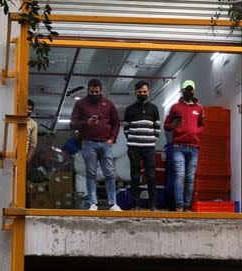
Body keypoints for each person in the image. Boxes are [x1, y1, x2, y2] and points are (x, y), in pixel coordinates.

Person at [70, 78, 121, 211]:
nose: (94, 94)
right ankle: (93, 203)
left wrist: (113, 139)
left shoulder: (108, 104)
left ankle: (113, 204)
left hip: (105, 143)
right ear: (88, 90)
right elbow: (72, 123)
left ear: (101, 90)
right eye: (91, 92)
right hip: (88, 143)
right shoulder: (80, 104)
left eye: (96, 92)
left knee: (109, 173)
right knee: (91, 173)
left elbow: (116, 122)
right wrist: (86, 123)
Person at [164, 79, 205, 212]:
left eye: (190, 89)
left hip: (193, 147)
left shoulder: (199, 108)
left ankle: (187, 206)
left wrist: (195, 132)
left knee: (190, 178)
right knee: (180, 175)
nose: (189, 91)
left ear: (194, 90)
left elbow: (203, 125)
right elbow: (166, 125)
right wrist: (174, 126)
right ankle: (179, 205)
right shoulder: (175, 107)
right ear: (182, 91)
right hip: (178, 147)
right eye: (186, 89)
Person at [123, 80, 161, 210]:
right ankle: (136, 205)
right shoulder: (129, 109)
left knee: (151, 176)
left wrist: (151, 140)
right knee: (135, 176)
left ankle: (153, 205)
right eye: (140, 92)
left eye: (145, 92)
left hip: (149, 148)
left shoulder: (154, 108)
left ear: (149, 92)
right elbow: (126, 128)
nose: (142, 94)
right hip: (134, 148)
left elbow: (157, 128)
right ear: (135, 93)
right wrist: (134, 140)